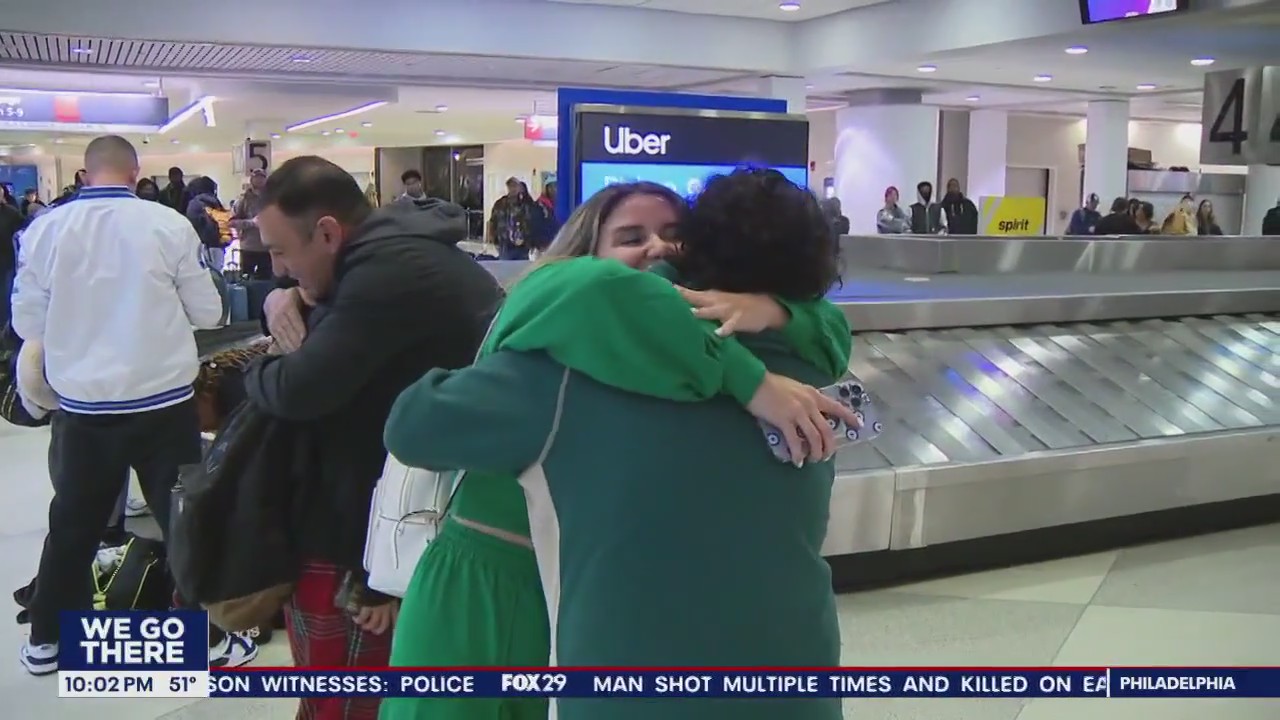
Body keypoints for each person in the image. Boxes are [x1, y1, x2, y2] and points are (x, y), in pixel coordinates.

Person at [379, 179, 856, 720]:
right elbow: (826, 323)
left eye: (672, 238)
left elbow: (414, 424)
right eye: (630, 237)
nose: (654, 251)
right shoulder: (813, 370)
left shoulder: (560, 375)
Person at [246, 155, 506, 720]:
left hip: (376, 532)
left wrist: (260, 361)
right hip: (387, 519)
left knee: (345, 698)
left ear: (328, 232)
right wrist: (284, 302)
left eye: (282, 251)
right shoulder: (398, 256)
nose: (280, 269)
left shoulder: (387, 276)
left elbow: (300, 390)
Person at [10, 135, 225, 675]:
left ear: (84, 175)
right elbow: (207, 312)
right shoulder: (167, 225)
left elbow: (26, 325)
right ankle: (208, 635)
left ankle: (46, 642)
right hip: (164, 404)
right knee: (182, 518)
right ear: (135, 174)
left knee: (73, 525)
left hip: (84, 409)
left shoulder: (45, 230)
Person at [231, 168, 272, 279]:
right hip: (249, 247)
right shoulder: (243, 200)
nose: (259, 180)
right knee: (246, 279)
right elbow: (232, 222)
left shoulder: (272, 199)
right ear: (251, 180)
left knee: (266, 282)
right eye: (256, 177)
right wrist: (251, 223)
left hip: (268, 248)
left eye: (262, 177)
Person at [184, 176, 230, 271]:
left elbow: (192, 225)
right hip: (218, 243)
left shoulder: (195, 204)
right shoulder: (216, 202)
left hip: (203, 245)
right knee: (216, 274)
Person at [487, 176, 533, 260]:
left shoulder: (526, 204)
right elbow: (493, 221)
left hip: (522, 245)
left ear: (519, 188)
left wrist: (531, 241)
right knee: (505, 268)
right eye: (511, 186)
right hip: (505, 244)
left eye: (515, 186)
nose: (513, 189)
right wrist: (492, 237)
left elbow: (531, 222)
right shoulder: (500, 203)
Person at [0, 198, 21, 327]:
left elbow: (21, 231)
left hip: (7, 261)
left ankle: (5, 328)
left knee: (5, 295)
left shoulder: (11, 213)